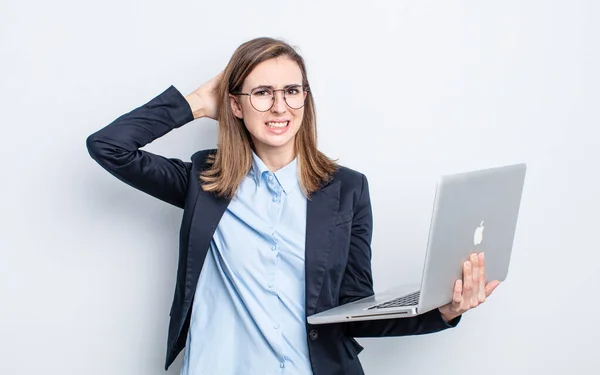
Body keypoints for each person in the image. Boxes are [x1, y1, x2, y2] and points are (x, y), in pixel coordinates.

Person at [86, 37, 500, 375]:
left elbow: (357, 308)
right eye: (262, 93)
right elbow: (109, 146)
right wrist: (194, 102)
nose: (280, 106)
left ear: (306, 98)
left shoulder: (347, 190)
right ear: (235, 105)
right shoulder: (204, 181)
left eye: (291, 91)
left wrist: (444, 310)